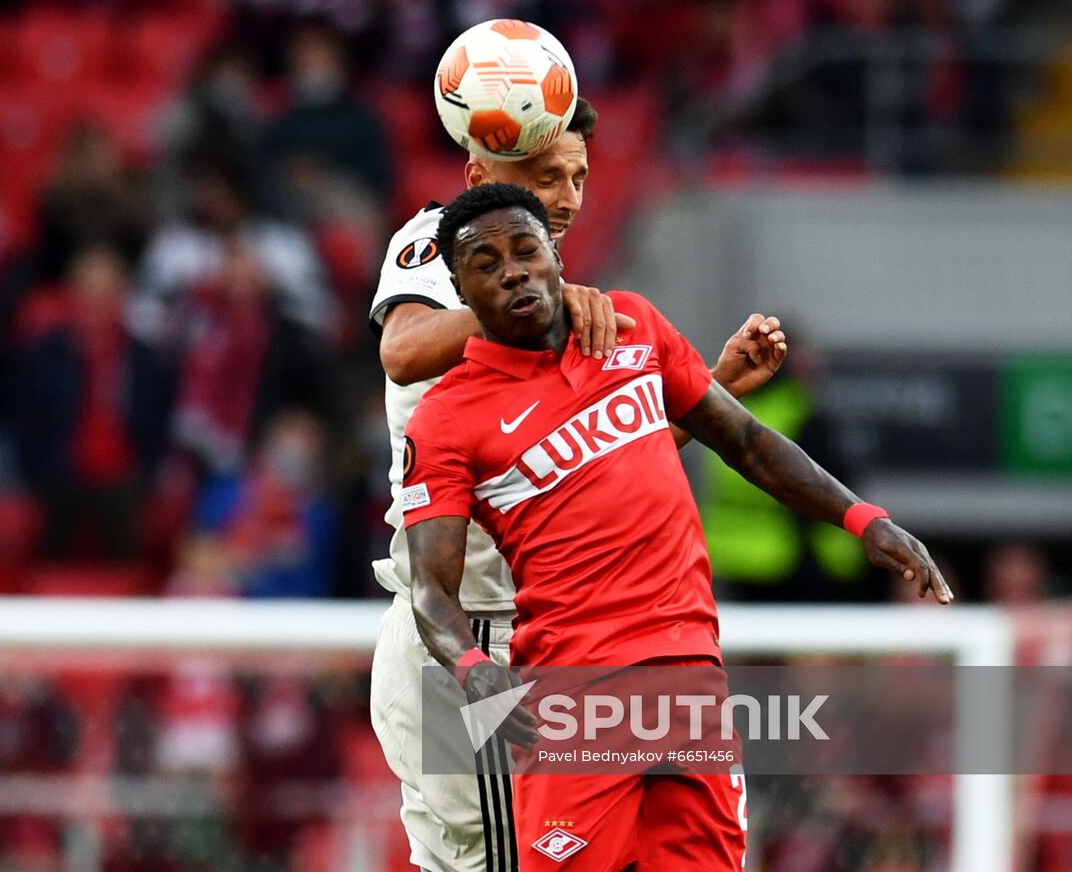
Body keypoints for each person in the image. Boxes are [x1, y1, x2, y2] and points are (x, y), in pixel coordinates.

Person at [403, 183, 951, 871]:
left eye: (525, 248)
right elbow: (430, 588)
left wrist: (862, 517)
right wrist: (474, 670)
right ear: (460, 288)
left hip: (692, 680)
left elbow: (748, 441)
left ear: (553, 256)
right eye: (485, 263)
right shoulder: (448, 418)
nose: (512, 270)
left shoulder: (632, 327)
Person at [368, 97, 790, 872]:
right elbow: (401, 350)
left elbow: (578, 480)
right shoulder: (437, 242)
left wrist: (712, 386)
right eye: (543, 174)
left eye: (578, 176)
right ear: (482, 172)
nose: (564, 195)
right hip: (480, 635)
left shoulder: (561, 320)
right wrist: (541, 289)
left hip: (536, 646)